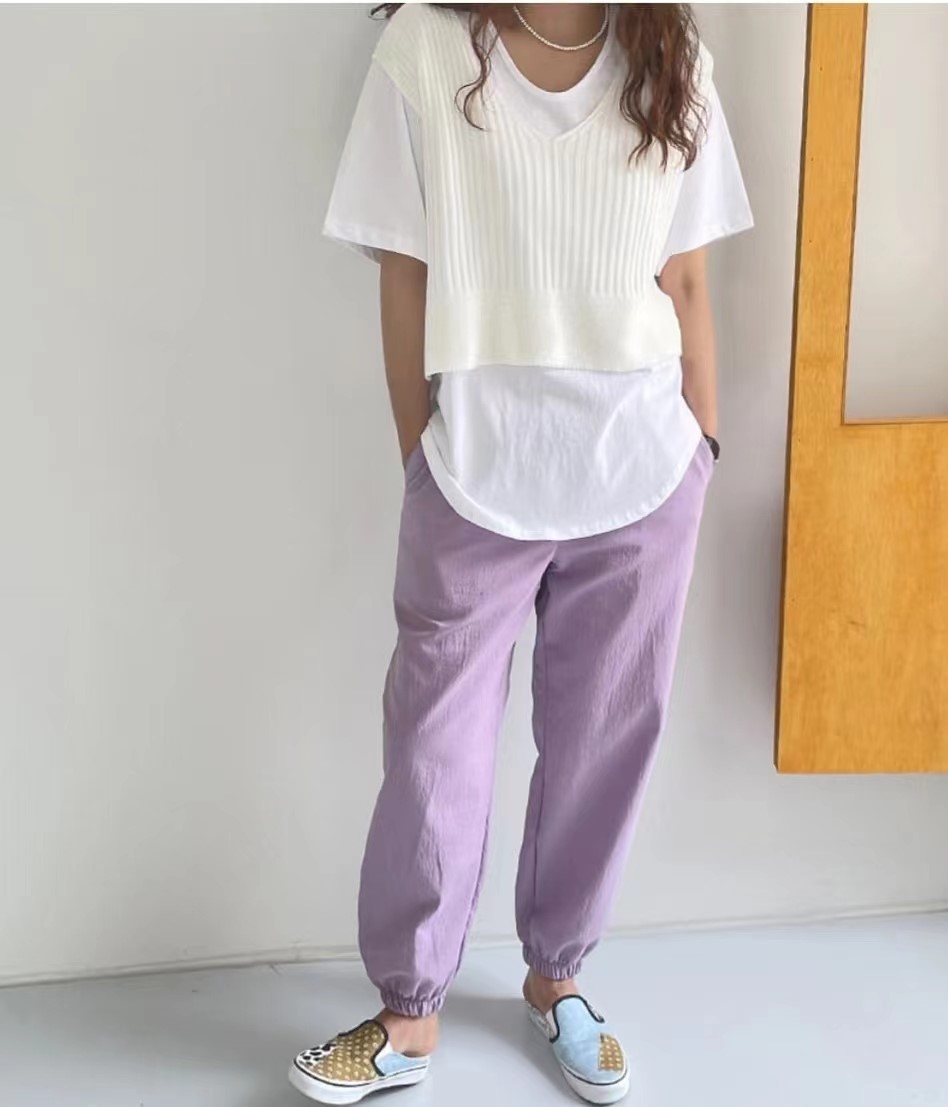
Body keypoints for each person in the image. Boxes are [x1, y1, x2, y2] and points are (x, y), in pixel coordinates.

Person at [290, 3, 753, 1103]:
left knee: (603, 742)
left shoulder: (671, 55)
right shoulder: (426, 48)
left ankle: (560, 978)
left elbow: (687, 279)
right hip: (474, 472)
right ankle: (409, 1012)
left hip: (643, 470)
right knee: (433, 748)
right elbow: (402, 269)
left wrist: (704, 446)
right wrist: (419, 453)